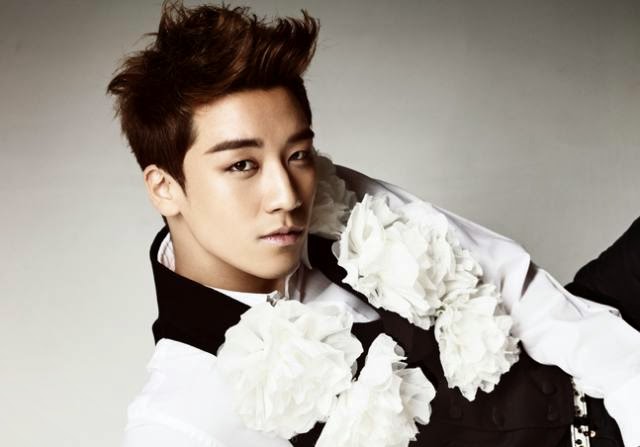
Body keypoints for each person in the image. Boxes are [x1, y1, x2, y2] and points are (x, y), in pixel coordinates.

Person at [107, 2, 640, 446]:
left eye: (297, 153)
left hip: (596, 359)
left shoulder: (331, 197)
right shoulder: (179, 420)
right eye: (242, 165)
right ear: (164, 187)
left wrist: (628, 387)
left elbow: (515, 287)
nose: (287, 195)